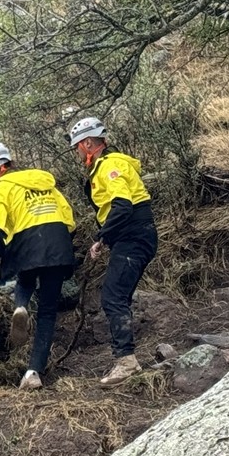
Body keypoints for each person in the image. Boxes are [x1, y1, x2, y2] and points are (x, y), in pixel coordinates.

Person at [67, 117, 157, 387]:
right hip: (133, 235)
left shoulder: (111, 166)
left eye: (77, 147)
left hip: (134, 235)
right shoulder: (107, 166)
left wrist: (101, 236)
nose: (77, 153)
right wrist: (107, 239)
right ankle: (127, 358)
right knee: (119, 296)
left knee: (113, 296)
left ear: (87, 143)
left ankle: (126, 362)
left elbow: (122, 206)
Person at [0, 142, 77, 390]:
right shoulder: (46, 184)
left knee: (24, 279)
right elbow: (69, 219)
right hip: (58, 241)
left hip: (28, 242)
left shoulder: (0, 188)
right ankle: (34, 372)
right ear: (10, 163)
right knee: (47, 312)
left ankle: (21, 306)